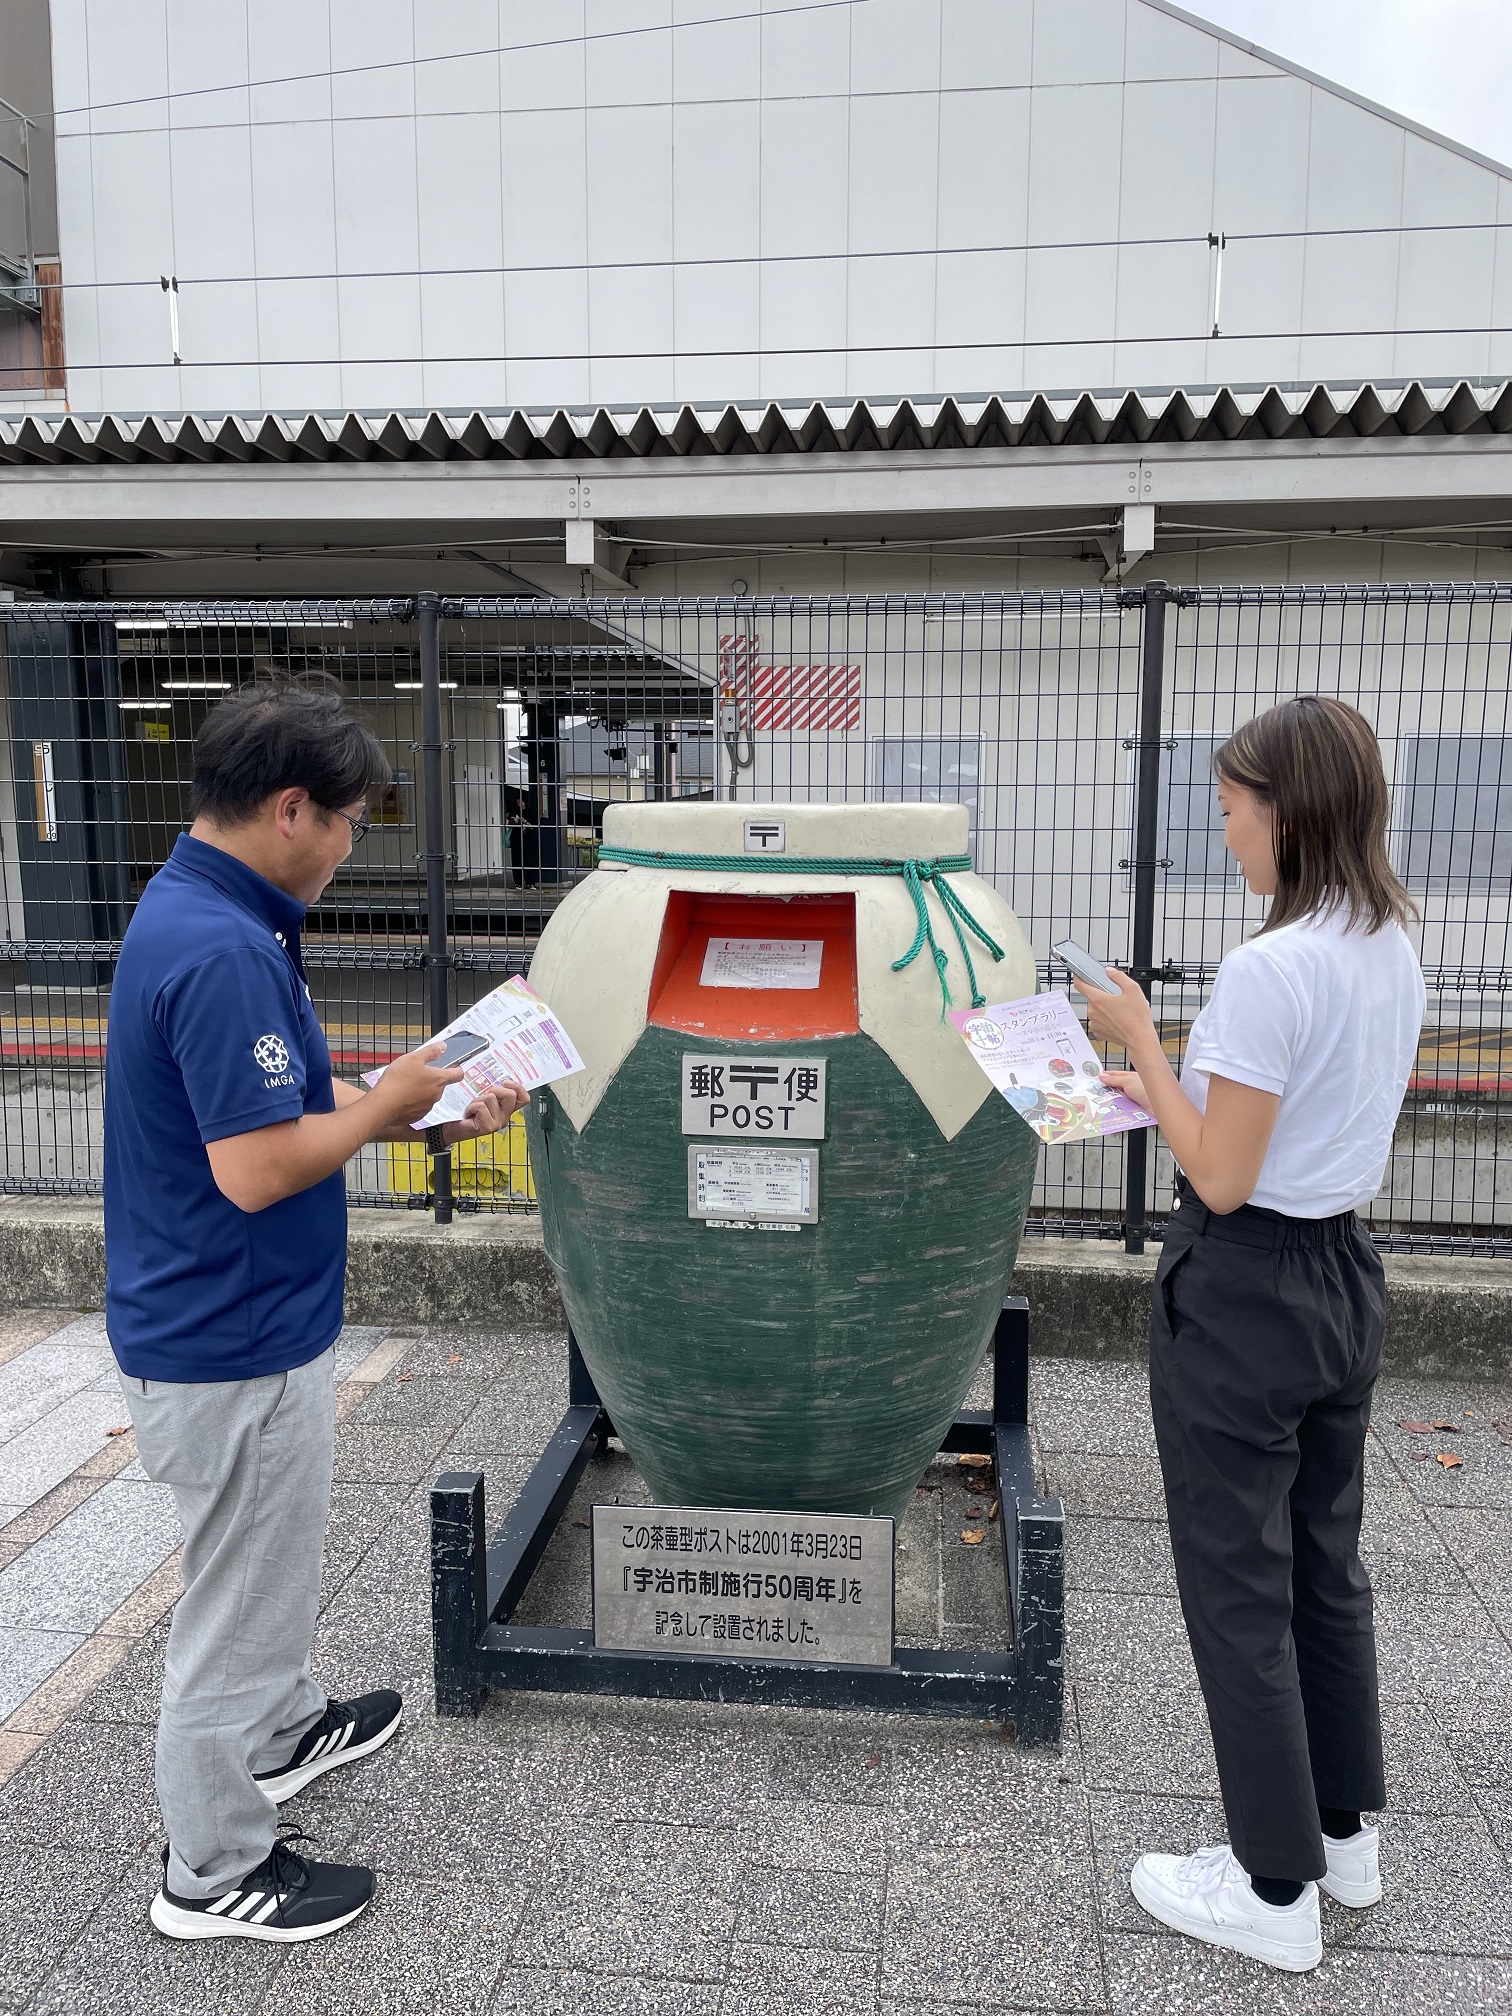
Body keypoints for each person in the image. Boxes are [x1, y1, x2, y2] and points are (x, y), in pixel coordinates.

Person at [105, 681, 529, 1944]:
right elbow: (255, 1167)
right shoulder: (227, 947)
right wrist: (388, 1107)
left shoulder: (214, 906)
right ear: (290, 809)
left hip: (235, 1320)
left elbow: (267, 1109)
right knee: (231, 1605)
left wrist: (418, 1100)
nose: (352, 844)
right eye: (346, 819)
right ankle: (212, 1868)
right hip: (226, 1338)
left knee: (264, 1568)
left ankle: (283, 1733)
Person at [1075, 696, 1424, 1975]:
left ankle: (1272, 1890)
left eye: (1232, 808)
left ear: (1290, 810)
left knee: (1236, 1590)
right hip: (1340, 1275)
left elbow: (1221, 1177)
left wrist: (1140, 1051)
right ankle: (1344, 1836)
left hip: (1246, 1290)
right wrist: (1159, 1087)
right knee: (1323, 1567)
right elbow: (1279, 1123)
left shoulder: (1267, 968)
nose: (1225, 832)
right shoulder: (1391, 940)